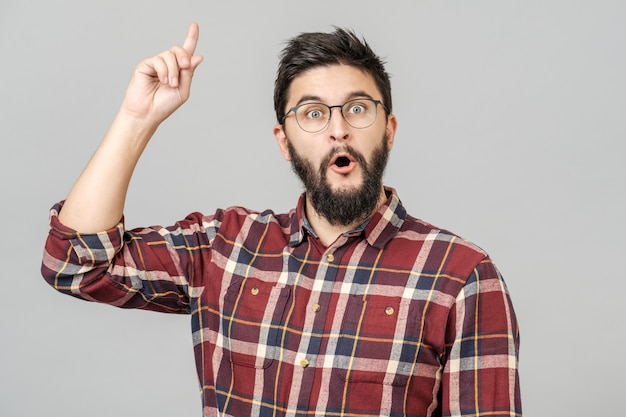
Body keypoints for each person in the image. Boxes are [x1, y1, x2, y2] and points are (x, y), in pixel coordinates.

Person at [41, 23, 522, 416]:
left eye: (357, 109)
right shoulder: (225, 246)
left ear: (388, 130)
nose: (338, 130)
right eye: (313, 113)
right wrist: (136, 118)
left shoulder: (462, 277)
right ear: (284, 142)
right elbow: (75, 264)